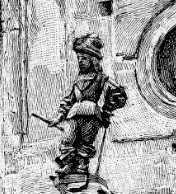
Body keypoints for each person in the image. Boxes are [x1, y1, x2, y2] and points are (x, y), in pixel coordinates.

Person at [52, 33, 127, 179]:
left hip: (91, 114)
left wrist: (107, 111)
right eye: (79, 58)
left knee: (85, 142)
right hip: (74, 114)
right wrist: (59, 117)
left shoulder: (102, 78)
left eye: (84, 58)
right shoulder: (78, 79)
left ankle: (81, 167)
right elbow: (69, 100)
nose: (81, 61)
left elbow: (119, 93)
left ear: (93, 60)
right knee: (68, 139)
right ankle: (68, 166)